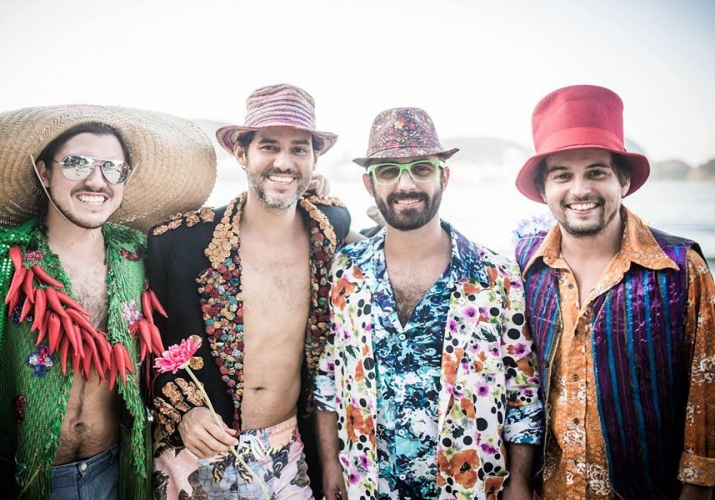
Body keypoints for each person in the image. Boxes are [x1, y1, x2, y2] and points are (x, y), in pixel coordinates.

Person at [0, 105, 216, 498]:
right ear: (44, 172)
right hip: (21, 481)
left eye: (113, 168)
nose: (97, 180)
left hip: (116, 471)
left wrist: (311, 204)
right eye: (77, 164)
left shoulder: (140, 258)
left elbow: (217, 253)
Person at [315, 107, 543, 500]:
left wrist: (520, 481)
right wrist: (331, 463)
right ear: (370, 185)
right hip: (366, 485)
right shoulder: (346, 270)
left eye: (421, 168)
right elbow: (329, 375)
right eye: (388, 171)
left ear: (444, 176)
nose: (406, 184)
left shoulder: (496, 275)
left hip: (468, 487)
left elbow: (521, 387)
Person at [147, 83, 353, 499]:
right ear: (241, 153)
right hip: (197, 454)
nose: (284, 161)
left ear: (314, 159)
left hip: (289, 451)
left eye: (299, 149)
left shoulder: (331, 228)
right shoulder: (180, 242)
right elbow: (140, 348)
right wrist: (182, 413)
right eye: (269, 147)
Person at [514, 84, 715, 499]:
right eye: (562, 175)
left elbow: (706, 394)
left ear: (622, 179)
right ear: (544, 189)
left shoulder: (679, 269)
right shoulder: (525, 266)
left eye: (596, 172)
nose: (580, 190)